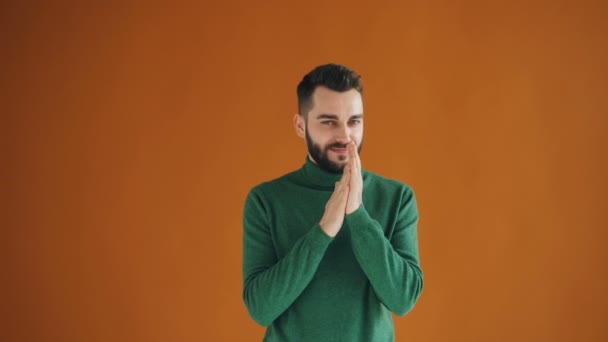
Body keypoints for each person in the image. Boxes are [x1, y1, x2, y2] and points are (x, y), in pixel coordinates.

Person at [242, 63, 423, 341]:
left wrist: (358, 215)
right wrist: (324, 230)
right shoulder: (265, 201)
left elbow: (403, 299)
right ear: (301, 126)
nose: (344, 136)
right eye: (329, 122)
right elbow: (260, 309)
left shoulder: (397, 198)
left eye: (354, 121)